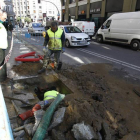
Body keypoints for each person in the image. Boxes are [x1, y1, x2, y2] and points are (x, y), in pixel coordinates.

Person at [0, 10, 8, 82]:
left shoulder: (1, 24)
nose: (5, 20)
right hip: (0, 48)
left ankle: (3, 77)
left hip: (2, 48)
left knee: (3, 62)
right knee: (1, 64)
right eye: (4, 18)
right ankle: (2, 79)